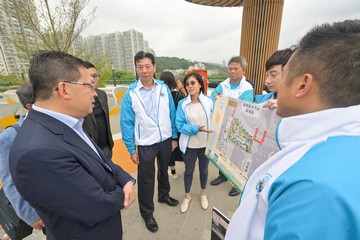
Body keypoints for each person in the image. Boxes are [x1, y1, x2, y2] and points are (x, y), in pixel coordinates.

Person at [226, 19, 360, 239]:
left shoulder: (313, 188)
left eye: (283, 74)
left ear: (303, 85)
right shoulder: (335, 148)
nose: (271, 82)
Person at [9, 50, 135, 240]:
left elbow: (102, 160)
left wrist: (126, 179)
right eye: (89, 86)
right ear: (64, 89)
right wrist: (123, 192)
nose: (95, 93)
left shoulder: (69, 122)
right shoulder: (38, 153)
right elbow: (96, 205)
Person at [120, 51, 179, 233]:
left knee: (163, 170)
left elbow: (172, 113)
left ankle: (164, 195)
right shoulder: (131, 93)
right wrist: (131, 149)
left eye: (148, 66)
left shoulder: (163, 89)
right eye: (140, 67)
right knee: (146, 180)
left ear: (154, 67)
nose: (144, 71)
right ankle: (147, 213)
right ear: (136, 69)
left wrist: (174, 136)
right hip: (145, 143)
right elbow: (126, 123)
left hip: (165, 140)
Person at [0, 84, 45, 235]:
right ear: (30, 106)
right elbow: (9, 180)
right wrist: (30, 215)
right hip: (45, 209)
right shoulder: (9, 138)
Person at [210, 56, 254, 197]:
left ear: (243, 70)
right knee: (222, 151)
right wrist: (222, 101)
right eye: (230, 69)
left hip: (238, 127)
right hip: (223, 124)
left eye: (236, 69)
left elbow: (242, 108)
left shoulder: (247, 88)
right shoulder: (224, 84)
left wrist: (224, 101)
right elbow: (212, 97)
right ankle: (222, 176)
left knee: (236, 155)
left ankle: (236, 183)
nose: (232, 71)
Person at [176, 72, 214, 213]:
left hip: (205, 144)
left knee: (204, 170)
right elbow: (179, 125)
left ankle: (203, 193)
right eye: (187, 84)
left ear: (200, 84)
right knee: (189, 171)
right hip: (190, 145)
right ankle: (187, 196)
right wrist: (196, 128)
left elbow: (218, 117)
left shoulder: (210, 101)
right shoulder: (183, 104)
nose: (190, 86)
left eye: (193, 83)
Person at [82, 61, 114, 159]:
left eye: (95, 76)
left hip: (107, 148)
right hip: (90, 151)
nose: (93, 80)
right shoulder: (78, 99)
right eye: (90, 76)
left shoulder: (102, 95)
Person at [160, 71, 185, 179]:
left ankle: (173, 172)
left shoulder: (161, 95)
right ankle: (187, 168)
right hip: (179, 127)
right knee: (182, 147)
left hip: (166, 128)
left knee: (170, 151)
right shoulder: (180, 94)